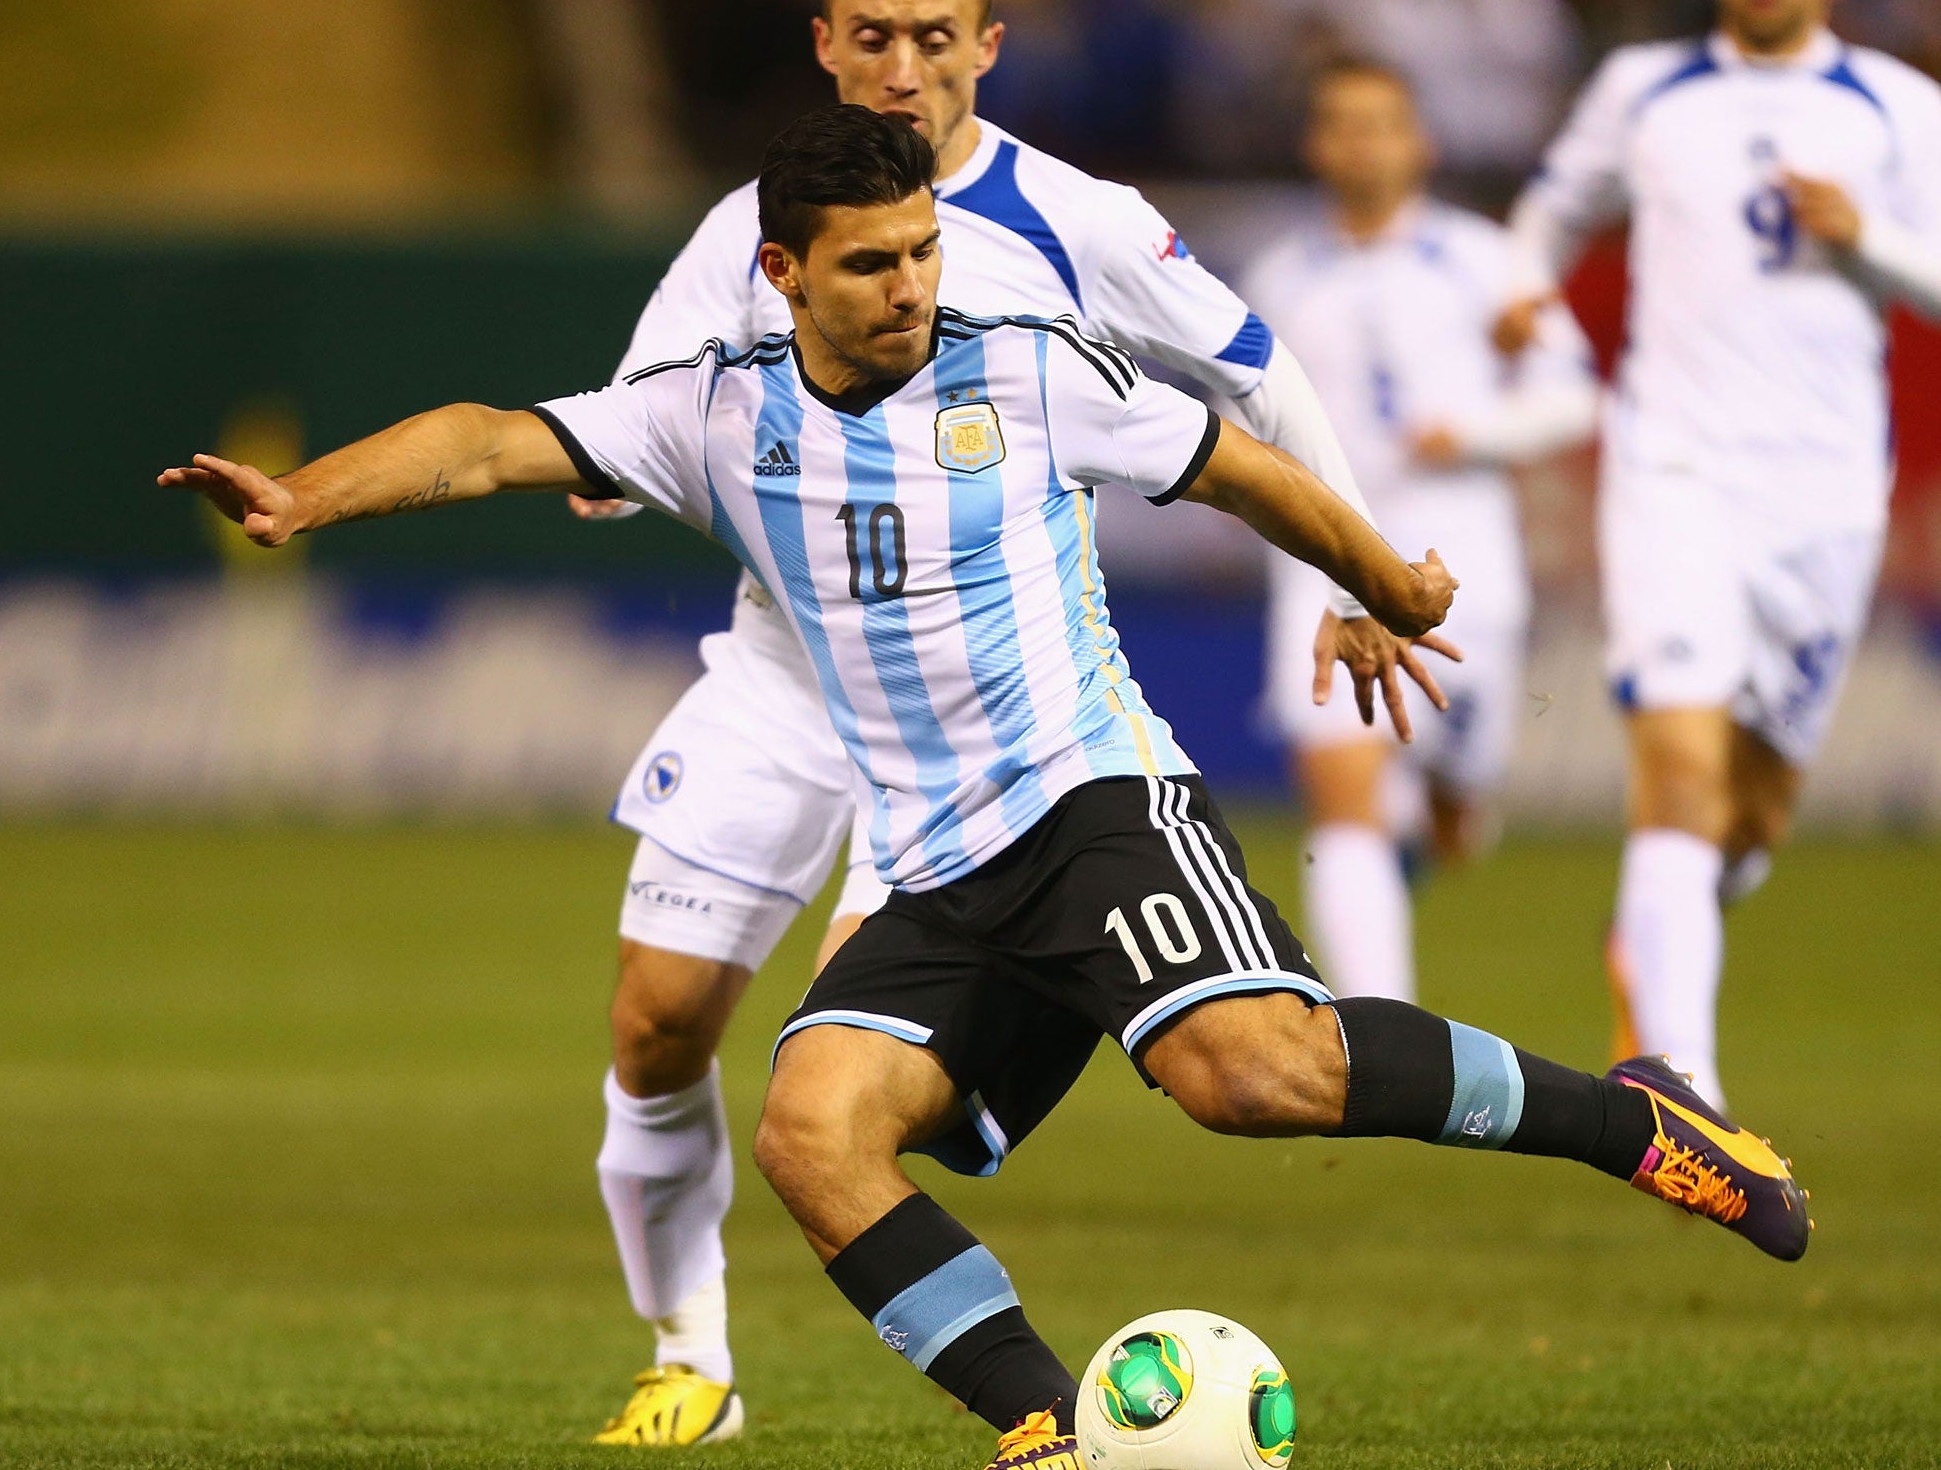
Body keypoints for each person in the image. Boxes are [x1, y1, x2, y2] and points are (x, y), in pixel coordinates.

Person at [162, 103, 1812, 1470]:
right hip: (935, 864)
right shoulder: (714, 414)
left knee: (1256, 1078)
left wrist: (1380, 580)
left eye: (922, 250)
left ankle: (1635, 1118)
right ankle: (1043, 1421)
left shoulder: (1020, 367)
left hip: (1094, 798)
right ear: (782, 272)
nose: (907, 287)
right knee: (814, 1134)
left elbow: (1236, 464)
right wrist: (306, 498)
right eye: (870, 264)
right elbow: (481, 439)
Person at [566, 0, 1452, 1441]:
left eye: (930, 36)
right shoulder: (753, 227)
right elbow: (636, 408)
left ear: (987, 44)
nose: (899, 67)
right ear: (826, 43)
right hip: (794, 664)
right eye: (870, 38)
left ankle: (1023, 1392)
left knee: (850, 1089)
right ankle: (691, 1357)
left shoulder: (1075, 219)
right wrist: (614, 470)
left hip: (979, 705)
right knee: (656, 1024)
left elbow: (1258, 377)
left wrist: (1354, 573)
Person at [1496, 0, 1941, 1106]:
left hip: (1826, 498)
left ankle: (1662, 915)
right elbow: (1542, 221)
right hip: (1673, 474)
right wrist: (1531, 325)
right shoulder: (1642, 90)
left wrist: (1869, 237)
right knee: (1681, 780)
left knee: (1749, 819)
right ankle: (1681, 1089)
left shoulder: (1898, 109)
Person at [1240, 59, 1599, 1002]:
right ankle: (1381, 1032)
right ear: (1316, 144)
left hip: (1462, 561)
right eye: (1341, 124)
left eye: (1381, 124)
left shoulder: (1488, 263)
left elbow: (1574, 398)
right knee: (1342, 787)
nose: (1361, 143)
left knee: (1451, 809)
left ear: (1421, 143)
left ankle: (1443, 810)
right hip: (1320, 567)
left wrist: (1473, 433)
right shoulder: (1276, 278)